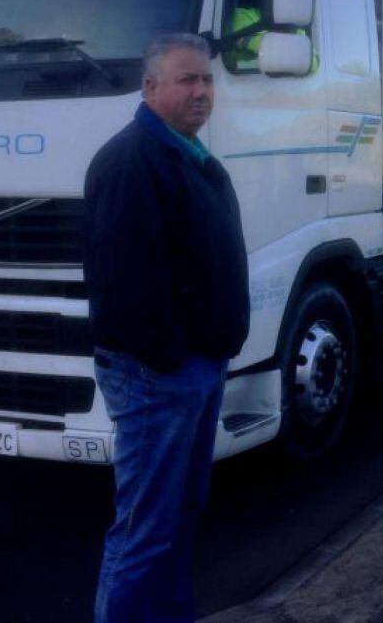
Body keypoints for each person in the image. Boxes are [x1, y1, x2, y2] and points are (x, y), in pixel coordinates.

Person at [84, 33, 250, 623]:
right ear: (151, 87)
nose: (202, 91)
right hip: (159, 374)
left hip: (195, 366)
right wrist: (170, 358)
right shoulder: (134, 161)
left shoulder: (186, 153)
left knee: (181, 512)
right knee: (143, 529)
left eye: (207, 80)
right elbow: (125, 282)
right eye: (187, 80)